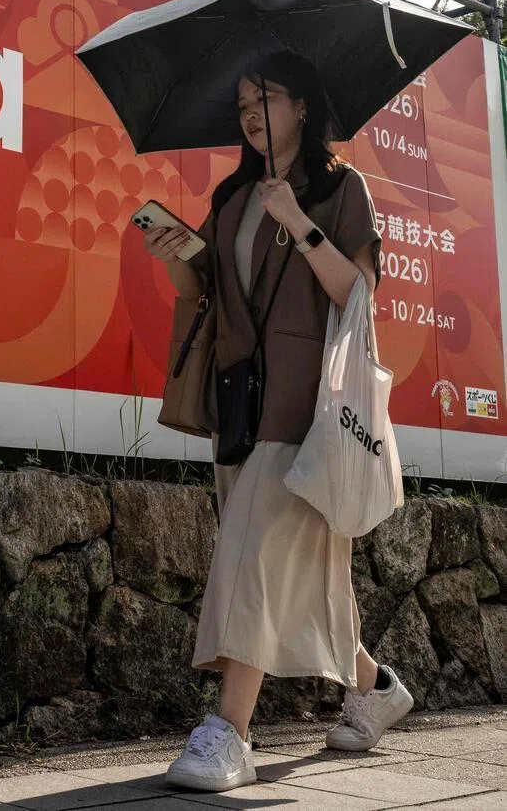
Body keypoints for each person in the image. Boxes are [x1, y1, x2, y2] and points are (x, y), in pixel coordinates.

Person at [141, 51, 414, 794]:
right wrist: (176, 258)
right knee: (288, 577)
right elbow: (208, 291)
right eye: (242, 104)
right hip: (242, 398)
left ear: (302, 107)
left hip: (308, 406)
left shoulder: (338, 188)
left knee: (251, 553)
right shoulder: (232, 195)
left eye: (265, 97)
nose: (251, 112)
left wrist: (299, 222)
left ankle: (228, 734)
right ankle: (376, 687)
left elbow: (356, 293)